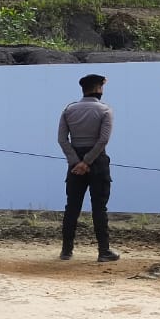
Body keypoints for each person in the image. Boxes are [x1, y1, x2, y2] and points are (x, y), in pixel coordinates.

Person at [58, 73, 120, 263]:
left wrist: (76, 162)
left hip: (74, 165)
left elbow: (62, 140)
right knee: (99, 208)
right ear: (99, 89)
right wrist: (88, 162)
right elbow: (103, 140)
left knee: (72, 207)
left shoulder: (68, 110)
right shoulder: (105, 111)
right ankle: (103, 251)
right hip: (97, 163)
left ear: (83, 89)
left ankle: (66, 251)